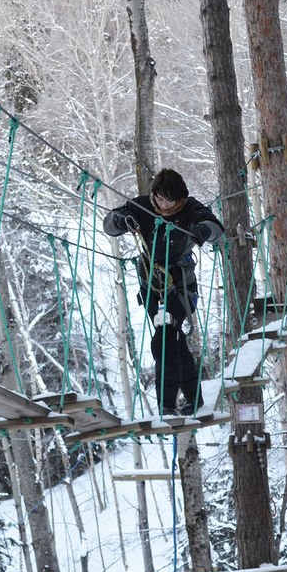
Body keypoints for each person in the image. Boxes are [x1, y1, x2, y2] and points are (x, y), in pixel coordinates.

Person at [103, 169, 224, 416]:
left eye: (169, 200)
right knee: (173, 342)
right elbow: (110, 223)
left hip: (180, 288)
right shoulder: (142, 206)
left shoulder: (190, 208)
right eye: (159, 198)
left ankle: (166, 404)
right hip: (152, 289)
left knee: (165, 340)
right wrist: (121, 221)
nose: (164, 205)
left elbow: (215, 227)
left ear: (180, 199)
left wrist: (201, 231)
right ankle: (194, 398)